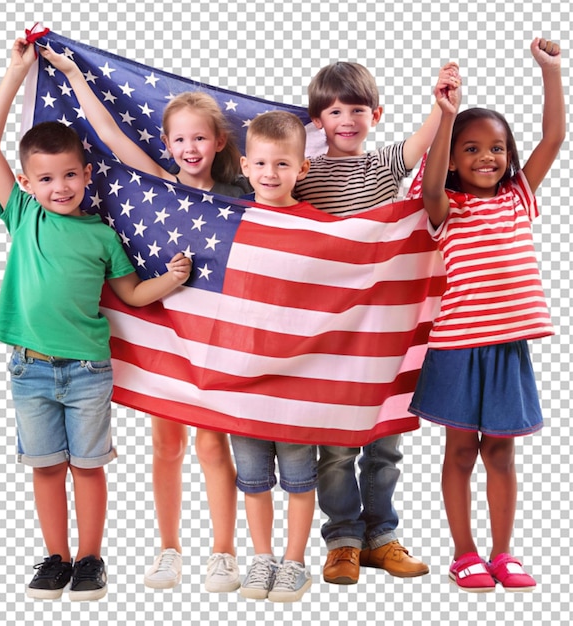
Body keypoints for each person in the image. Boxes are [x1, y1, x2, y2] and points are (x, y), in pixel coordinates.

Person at [0, 37, 192, 601]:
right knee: (45, 466)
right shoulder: (22, 213)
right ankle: (56, 557)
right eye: (46, 179)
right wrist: (16, 72)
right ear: (26, 183)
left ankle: (90, 559)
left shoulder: (101, 234)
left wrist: (170, 279)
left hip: (90, 369)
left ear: (86, 173)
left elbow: (134, 293)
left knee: (87, 466)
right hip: (30, 367)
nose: (60, 187)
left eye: (69, 175)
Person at [40, 45, 246, 593]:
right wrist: (70, 74)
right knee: (167, 443)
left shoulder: (238, 198)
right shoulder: (157, 181)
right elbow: (110, 136)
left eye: (200, 137)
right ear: (167, 143)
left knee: (211, 443)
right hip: (162, 329)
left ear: (219, 142)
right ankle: (168, 548)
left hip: (214, 335)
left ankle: (223, 550)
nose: (189, 147)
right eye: (179, 138)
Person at [294, 60, 460, 585]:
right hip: (330, 331)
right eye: (334, 111)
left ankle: (381, 536)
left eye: (357, 110)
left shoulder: (385, 166)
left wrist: (442, 105)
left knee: (385, 441)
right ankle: (343, 539)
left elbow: (421, 143)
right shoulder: (303, 173)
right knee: (337, 446)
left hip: (386, 327)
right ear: (317, 122)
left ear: (376, 115)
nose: (346, 119)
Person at [409, 38, 564, 592]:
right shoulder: (447, 206)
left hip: (507, 347)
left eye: (496, 148)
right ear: (453, 159)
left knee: (500, 451)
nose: (486, 159)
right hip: (456, 346)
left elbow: (555, 137)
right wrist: (447, 114)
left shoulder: (519, 195)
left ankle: (504, 553)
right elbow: (429, 184)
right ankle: (465, 552)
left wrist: (550, 72)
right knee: (460, 451)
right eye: (471, 150)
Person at [230, 110, 316, 602]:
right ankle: (262, 558)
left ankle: (295, 561)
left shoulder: (318, 226)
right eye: (261, 164)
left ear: (302, 170)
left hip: (295, 381)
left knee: (300, 476)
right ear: (244, 165)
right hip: (243, 376)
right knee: (255, 478)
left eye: (282, 165)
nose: (270, 174)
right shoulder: (230, 219)